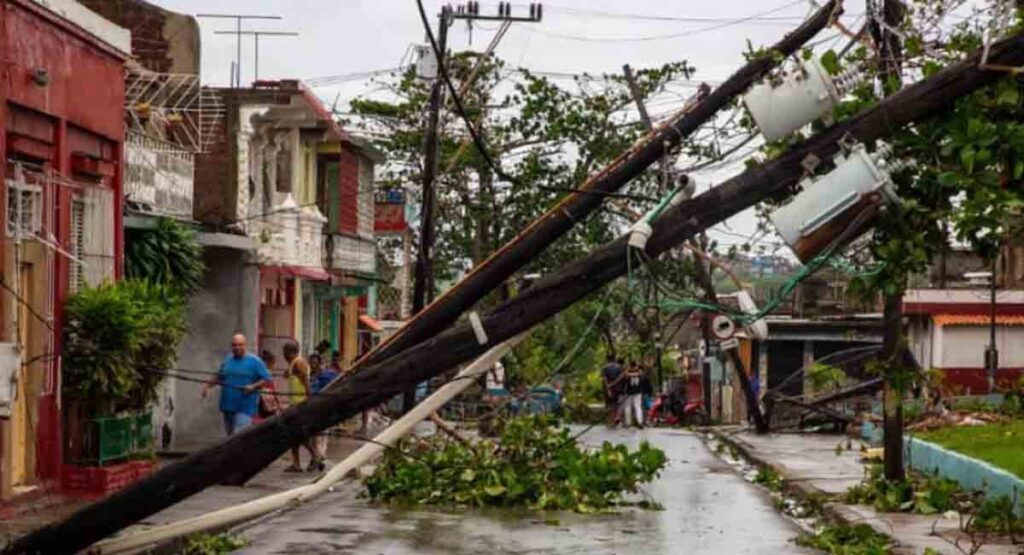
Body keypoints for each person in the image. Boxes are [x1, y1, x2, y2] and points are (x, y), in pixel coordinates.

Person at [201, 334, 271, 436]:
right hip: (228, 406)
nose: (237, 347)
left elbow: (267, 378)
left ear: (245, 345)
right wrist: (207, 386)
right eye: (234, 345)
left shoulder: (255, 361)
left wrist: (253, 386)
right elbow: (220, 375)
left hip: (245, 407)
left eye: (240, 344)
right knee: (230, 437)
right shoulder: (228, 359)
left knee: (238, 435)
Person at [282, 343, 323, 472]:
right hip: (295, 403)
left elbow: (305, 381)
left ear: (289, 352)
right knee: (293, 435)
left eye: (284, 352)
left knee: (300, 435)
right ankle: (296, 463)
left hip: (301, 404)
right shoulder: (294, 363)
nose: (283, 356)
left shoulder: (299, 363)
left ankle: (316, 456)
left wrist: (309, 400)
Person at [622, 362, 646, 429]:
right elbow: (642, 374)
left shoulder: (628, 373)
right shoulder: (639, 372)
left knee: (627, 407)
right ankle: (640, 422)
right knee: (638, 407)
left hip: (629, 392)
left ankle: (628, 423)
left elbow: (624, 375)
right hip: (638, 392)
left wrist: (628, 368)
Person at [600, 356, 623, 425]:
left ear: (607, 360)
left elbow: (604, 379)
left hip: (607, 388)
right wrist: (614, 384)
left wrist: (608, 388)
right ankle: (616, 417)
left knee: (608, 404)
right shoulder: (619, 367)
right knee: (616, 403)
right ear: (614, 359)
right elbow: (620, 378)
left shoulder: (604, 368)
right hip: (617, 388)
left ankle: (610, 420)